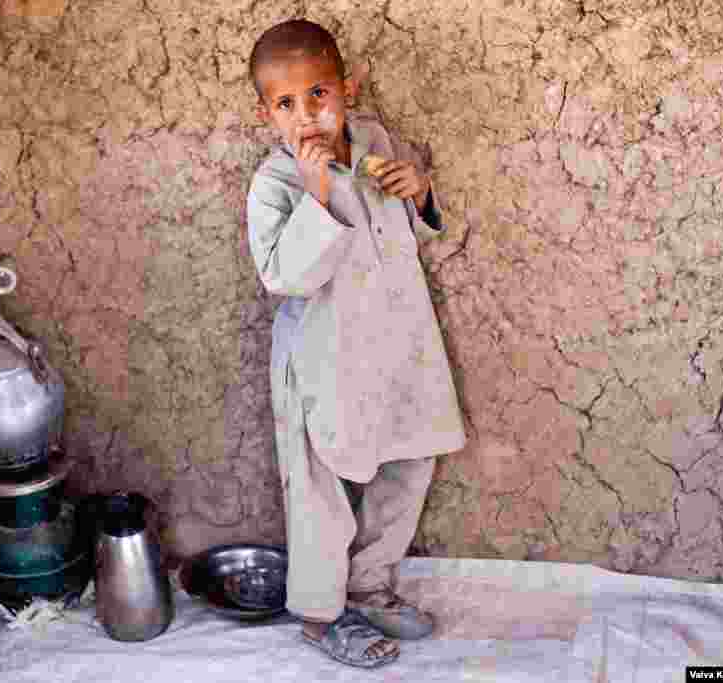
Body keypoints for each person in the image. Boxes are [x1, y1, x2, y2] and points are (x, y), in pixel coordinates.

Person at [245, 19, 467, 668]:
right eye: (286, 104)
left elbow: (411, 231)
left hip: (396, 343)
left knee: (409, 459)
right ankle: (321, 615)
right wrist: (317, 200)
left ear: (349, 87)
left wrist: (420, 192)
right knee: (320, 489)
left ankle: (371, 584)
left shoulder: (375, 142)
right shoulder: (276, 184)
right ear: (266, 114)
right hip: (322, 360)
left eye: (318, 94)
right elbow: (284, 275)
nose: (307, 116)